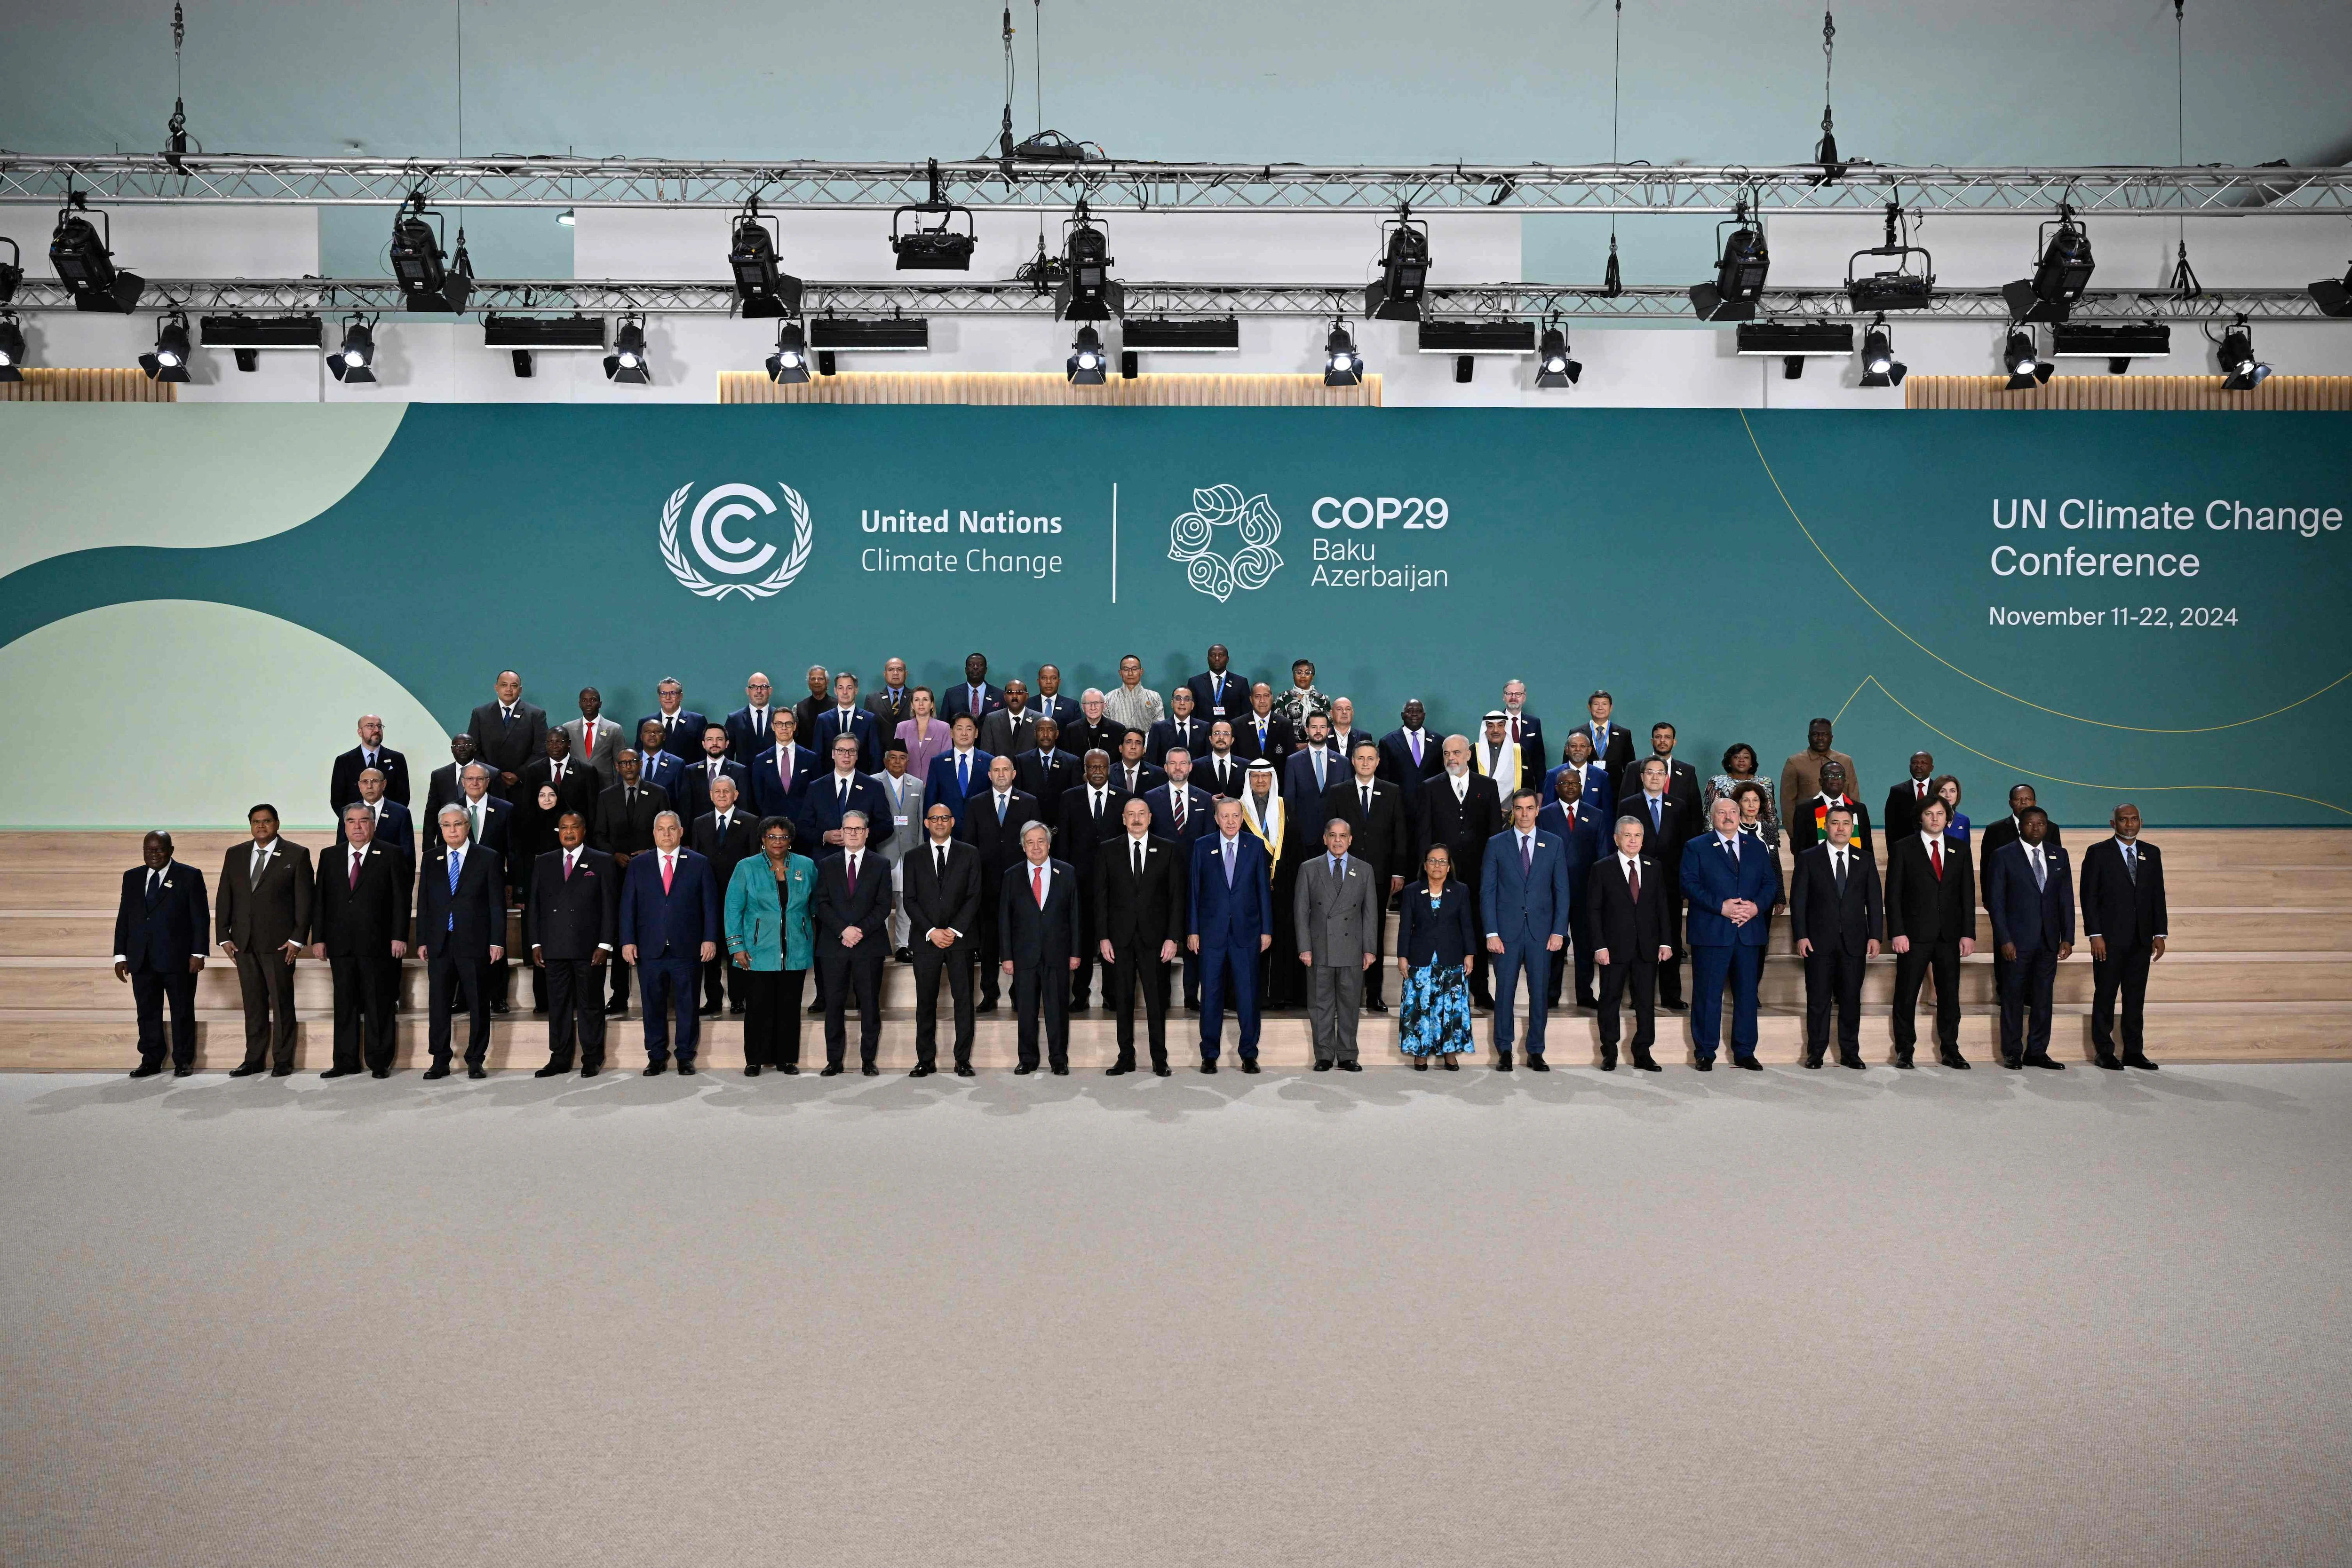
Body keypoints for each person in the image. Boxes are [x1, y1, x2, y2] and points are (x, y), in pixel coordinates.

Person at [1680, 795, 1784, 1070]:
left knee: (1747, 994)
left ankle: (1745, 1051)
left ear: (1740, 816)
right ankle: (1705, 1052)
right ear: (1712, 818)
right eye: (1721, 812)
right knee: (1707, 994)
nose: (1728, 816)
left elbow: (1769, 883)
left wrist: (1755, 908)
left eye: (1733, 812)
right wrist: (1722, 907)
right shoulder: (1696, 846)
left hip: (1749, 931)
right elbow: (1689, 884)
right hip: (1712, 931)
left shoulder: (1757, 846)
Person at [212, 803, 315, 1077]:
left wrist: (297, 939)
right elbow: (225, 896)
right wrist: (223, 936)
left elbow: (305, 903)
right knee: (253, 1003)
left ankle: (283, 1059)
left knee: (282, 1002)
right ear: (250, 825)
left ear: (277, 824)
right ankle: (254, 1059)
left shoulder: (297, 854)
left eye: (267, 821)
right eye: (256, 822)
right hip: (243, 943)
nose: (261, 826)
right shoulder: (235, 855)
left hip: (280, 945)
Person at [618, 810, 720, 1075]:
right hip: (649, 947)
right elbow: (628, 906)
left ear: (681, 831)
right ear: (654, 834)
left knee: (688, 1004)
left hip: (687, 947)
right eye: (661, 829)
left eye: (672, 828)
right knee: (652, 1005)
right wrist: (627, 940)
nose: (666, 834)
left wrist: (709, 938)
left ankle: (685, 1056)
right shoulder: (639, 865)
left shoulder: (699, 863)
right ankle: (656, 1055)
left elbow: (710, 906)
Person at [313, 804, 408, 1078]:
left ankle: (379, 1061)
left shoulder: (391, 853)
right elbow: (321, 901)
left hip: (378, 944)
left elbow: (401, 901)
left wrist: (399, 936)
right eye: (352, 821)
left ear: (373, 824)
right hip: (340, 944)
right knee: (344, 1004)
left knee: (379, 1002)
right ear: (344, 826)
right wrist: (318, 939)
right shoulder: (329, 856)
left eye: (364, 821)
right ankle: (345, 1061)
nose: (357, 826)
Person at [1479, 788, 1571, 1070]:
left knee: (1540, 994)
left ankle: (1535, 1051)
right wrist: (1491, 932)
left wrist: (1559, 931)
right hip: (1506, 933)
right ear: (1512, 812)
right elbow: (1488, 891)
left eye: (1529, 808)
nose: (1524, 814)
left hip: (1542, 934)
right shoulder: (1496, 844)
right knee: (1504, 992)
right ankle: (1504, 1050)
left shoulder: (1553, 843)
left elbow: (1562, 891)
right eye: (1518, 809)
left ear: (1537, 811)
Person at [1884, 797, 1977, 1069]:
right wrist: (1897, 932)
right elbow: (1893, 895)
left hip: (1950, 935)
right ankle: (1905, 1050)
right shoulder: (1903, 848)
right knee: (1906, 994)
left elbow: (1967, 895)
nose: (1935, 818)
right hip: (1913, 935)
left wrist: (1968, 933)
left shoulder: (1960, 850)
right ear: (1920, 818)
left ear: (1948, 819)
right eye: (1929, 813)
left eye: (1940, 814)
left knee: (1950, 995)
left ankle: (1950, 1049)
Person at [1789, 802, 1882, 1069]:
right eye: (1835, 823)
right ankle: (1815, 1053)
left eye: (1846, 824)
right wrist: (1801, 935)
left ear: (1852, 828)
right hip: (1818, 941)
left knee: (1852, 999)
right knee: (1818, 1000)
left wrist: (1875, 935)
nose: (1841, 828)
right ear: (1825, 827)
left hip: (1854, 942)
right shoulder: (1808, 857)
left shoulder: (1864, 859)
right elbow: (1799, 901)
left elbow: (1874, 901)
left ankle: (1850, 1053)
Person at [1097, 798, 1184, 1075]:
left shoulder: (1168, 849)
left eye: (1142, 814)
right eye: (1131, 815)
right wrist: (1103, 937)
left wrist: (1173, 938)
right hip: (1119, 939)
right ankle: (1126, 1057)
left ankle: (1160, 1058)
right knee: (1122, 999)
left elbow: (1176, 898)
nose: (1136, 819)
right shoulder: (1108, 850)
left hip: (1156, 940)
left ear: (1150, 818)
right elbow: (1101, 898)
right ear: (1123, 819)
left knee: (1156, 1000)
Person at [526, 811, 618, 1077]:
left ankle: (592, 1056)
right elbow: (534, 907)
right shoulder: (544, 862)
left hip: (590, 948)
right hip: (553, 947)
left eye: (574, 827)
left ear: (584, 830)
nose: (568, 832)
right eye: (563, 827)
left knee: (590, 1003)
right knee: (558, 1004)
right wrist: (535, 944)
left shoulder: (601, 861)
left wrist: (605, 944)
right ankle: (560, 1057)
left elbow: (610, 907)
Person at [416, 804, 503, 1079]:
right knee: (439, 1004)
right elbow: (425, 903)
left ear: (468, 826)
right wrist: (422, 940)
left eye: (458, 824)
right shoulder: (431, 858)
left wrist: (497, 941)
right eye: (446, 825)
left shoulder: (487, 858)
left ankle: (475, 1059)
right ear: (441, 829)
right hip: (440, 943)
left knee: (478, 1004)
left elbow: (496, 905)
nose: (452, 830)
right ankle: (439, 1059)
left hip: (475, 943)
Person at [1416, 736, 1504, 1009]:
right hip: (1443, 875)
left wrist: (1495, 871)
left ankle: (1481, 989)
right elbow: (1424, 834)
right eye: (1446, 754)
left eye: (1457, 753)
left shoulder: (1487, 786)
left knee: (1478, 929)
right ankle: (1449, 990)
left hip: (1480, 874)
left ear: (1469, 755)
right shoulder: (1430, 788)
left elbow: (1494, 833)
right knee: (1445, 930)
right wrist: (1428, 871)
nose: (1451, 758)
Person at [2078, 803, 2168, 1070]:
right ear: (2112, 824)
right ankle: (2104, 1052)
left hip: (2141, 940)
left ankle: (2134, 1052)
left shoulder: (2152, 853)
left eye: (2133, 819)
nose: (2129, 824)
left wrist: (2160, 933)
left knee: (2135, 998)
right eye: (2123, 820)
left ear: (2141, 822)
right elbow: (2089, 897)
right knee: (2105, 995)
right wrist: (2095, 934)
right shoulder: (2098, 853)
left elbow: (2157, 895)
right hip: (2108, 940)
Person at [1322, 739, 1409, 1013]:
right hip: (1344, 874)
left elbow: (1400, 836)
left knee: (1375, 932)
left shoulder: (1392, 792)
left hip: (1381, 875)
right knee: (1342, 934)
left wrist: (1398, 871)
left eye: (1371, 759)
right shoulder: (1338, 792)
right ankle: (1344, 996)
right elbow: (1329, 835)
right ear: (1353, 760)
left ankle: (1374, 995)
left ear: (1378, 762)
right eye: (1360, 758)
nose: (1366, 763)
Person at [1985, 806, 2074, 1071]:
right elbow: (1997, 904)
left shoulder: (2060, 855)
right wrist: (2005, 940)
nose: (2036, 828)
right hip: (2016, 942)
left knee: (2043, 998)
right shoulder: (2003, 856)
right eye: (2030, 824)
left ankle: (2038, 1051)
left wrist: (2067, 937)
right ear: (2021, 827)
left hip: (2048, 941)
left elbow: (2065, 899)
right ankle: (2013, 1052)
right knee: (2012, 998)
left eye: (2041, 824)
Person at [113, 831, 209, 1077]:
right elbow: (125, 918)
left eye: (159, 849)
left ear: (171, 850)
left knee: (182, 1010)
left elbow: (200, 918)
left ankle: (183, 1060)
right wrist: (120, 955)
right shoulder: (132, 877)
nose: (153, 854)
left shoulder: (189, 875)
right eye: (148, 849)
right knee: (146, 1011)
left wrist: (199, 953)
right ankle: (151, 1059)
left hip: (178, 959)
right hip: (141, 958)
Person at [725, 816, 815, 1076]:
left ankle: (786, 1059)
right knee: (758, 1008)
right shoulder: (746, 867)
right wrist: (736, 946)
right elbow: (733, 909)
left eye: (784, 837)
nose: (778, 842)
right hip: (756, 950)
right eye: (772, 836)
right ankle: (755, 1059)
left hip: (795, 949)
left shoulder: (806, 866)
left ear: (791, 840)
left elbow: (814, 905)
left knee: (789, 1007)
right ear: (763, 839)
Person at [1190, 797, 1273, 1073]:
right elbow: (1194, 892)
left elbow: (1263, 890)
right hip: (1211, 935)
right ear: (1217, 819)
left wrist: (1266, 930)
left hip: (1247, 934)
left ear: (1242, 817)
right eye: (1225, 816)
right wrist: (1193, 930)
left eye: (1235, 816)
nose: (1230, 821)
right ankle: (1209, 1055)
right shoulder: (1202, 846)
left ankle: (1249, 1054)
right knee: (1211, 996)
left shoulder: (1255, 846)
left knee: (1248, 997)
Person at [956, 755, 1042, 1014]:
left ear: (1014, 774)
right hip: (987, 885)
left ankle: (1020, 994)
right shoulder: (976, 804)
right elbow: (969, 847)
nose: (1002, 774)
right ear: (990, 775)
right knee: (989, 942)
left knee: (1021, 940)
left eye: (1006, 770)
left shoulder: (1029, 802)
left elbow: (1037, 846)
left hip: (1022, 885)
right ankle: (989, 994)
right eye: (997, 770)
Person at [1293, 816, 1381, 1071]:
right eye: (1333, 835)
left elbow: (1370, 913)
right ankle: (1323, 1055)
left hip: (1352, 948)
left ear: (1350, 840)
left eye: (1343, 836)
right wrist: (1305, 947)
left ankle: (1347, 1055)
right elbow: (1301, 912)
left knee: (1350, 1004)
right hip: (1320, 948)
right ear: (1325, 839)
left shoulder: (1364, 870)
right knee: (1320, 1005)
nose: (1338, 840)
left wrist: (1370, 949)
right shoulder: (1309, 868)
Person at [901, 801, 981, 1076]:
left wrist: (954, 930)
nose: (939, 822)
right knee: (926, 1001)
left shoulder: (970, 854)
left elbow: (974, 896)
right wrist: (932, 931)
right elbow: (909, 900)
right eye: (934, 818)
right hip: (926, 940)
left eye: (944, 818)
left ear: (952, 822)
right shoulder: (912, 857)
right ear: (926, 823)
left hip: (961, 939)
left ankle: (963, 1059)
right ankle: (925, 1060)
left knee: (964, 1000)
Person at [994, 822, 1079, 1074]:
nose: (1036, 847)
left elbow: (1075, 916)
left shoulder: (1068, 872)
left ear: (1049, 844)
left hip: (1058, 954)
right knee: (1026, 1011)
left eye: (1041, 841)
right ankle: (1028, 1059)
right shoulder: (1012, 875)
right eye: (1030, 842)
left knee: (1057, 1010)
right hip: (1024, 956)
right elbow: (1004, 920)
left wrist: (1076, 952)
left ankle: (1059, 1059)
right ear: (1023, 847)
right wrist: (1007, 957)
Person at [1587, 816, 1670, 1071]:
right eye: (1627, 835)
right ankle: (1609, 1051)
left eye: (1637, 836)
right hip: (1613, 949)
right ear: (1616, 838)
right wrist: (1599, 946)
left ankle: (1643, 1052)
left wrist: (1666, 942)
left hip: (1647, 947)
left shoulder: (1654, 867)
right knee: (1610, 999)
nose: (1633, 841)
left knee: (1645, 1001)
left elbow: (1662, 908)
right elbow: (1593, 911)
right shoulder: (1602, 868)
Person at [813, 811, 892, 1075]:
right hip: (834, 945)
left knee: (869, 1004)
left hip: (869, 945)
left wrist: (859, 931)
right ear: (842, 832)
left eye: (859, 829)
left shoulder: (881, 864)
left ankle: (868, 1060)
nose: (854, 834)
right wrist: (843, 930)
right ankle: (834, 1060)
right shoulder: (826, 864)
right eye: (849, 829)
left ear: (867, 832)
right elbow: (821, 904)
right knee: (834, 1005)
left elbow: (883, 906)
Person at [592, 747, 668, 1016]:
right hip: (617, 872)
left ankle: (661, 992)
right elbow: (598, 834)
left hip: (651, 871)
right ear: (617, 766)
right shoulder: (606, 796)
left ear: (640, 764)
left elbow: (667, 830)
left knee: (653, 929)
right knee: (620, 932)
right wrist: (614, 855)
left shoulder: (659, 792)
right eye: (623, 762)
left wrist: (649, 852)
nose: (628, 766)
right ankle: (619, 996)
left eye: (633, 761)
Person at [1057, 750, 1130, 1010]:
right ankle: (1080, 995)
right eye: (1092, 767)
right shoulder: (1069, 798)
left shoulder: (1125, 798)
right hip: (1080, 883)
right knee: (1083, 940)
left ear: (1109, 769)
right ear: (1085, 771)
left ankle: (1112, 995)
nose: (1097, 772)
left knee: (1112, 940)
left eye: (1102, 767)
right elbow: (1063, 844)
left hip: (1116, 885)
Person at [1618, 756, 1692, 1011]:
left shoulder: (1679, 806)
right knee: (1638, 938)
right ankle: (1639, 996)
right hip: (1637, 882)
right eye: (1650, 772)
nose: (1655, 777)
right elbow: (1620, 844)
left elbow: (1687, 847)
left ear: (1666, 777)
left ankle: (1671, 994)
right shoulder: (1628, 805)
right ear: (1642, 777)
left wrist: (1684, 883)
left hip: (1671, 885)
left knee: (1670, 937)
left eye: (1660, 773)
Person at [1396, 843, 1477, 1069]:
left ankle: (1450, 1052)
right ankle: (1419, 1052)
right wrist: (1402, 956)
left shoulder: (1461, 890)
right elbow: (1405, 927)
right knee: (1419, 1007)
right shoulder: (1412, 890)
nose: (1437, 865)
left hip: (1451, 957)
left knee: (1450, 1007)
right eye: (1432, 860)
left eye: (1442, 861)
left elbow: (1467, 925)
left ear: (1449, 866)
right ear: (1425, 865)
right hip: (1420, 958)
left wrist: (1470, 954)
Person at [1146, 748, 1215, 1011]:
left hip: (1196, 881)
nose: (1178, 768)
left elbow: (1209, 844)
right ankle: (1161, 995)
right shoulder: (1151, 798)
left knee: (1194, 938)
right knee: (1163, 937)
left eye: (1183, 763)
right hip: (1161, 883)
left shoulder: (1205, 798)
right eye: (1173, 764)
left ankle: (1191, 995)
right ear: (1165, 768)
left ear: (1190, 767)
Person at [1537, 758, 1606, 1012]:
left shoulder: (1596, 815)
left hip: (1585, 891)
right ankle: (1551, 993)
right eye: (1564, 783)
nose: (1569, 786)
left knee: (1585, 943)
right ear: (1556, 788)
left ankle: (1585, 993)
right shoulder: (1543, 815)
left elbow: (1602, 856)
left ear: (1581, 786)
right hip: (1552, 892)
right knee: (1555, 942)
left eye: (1574, 783)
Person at [1241, 759, 1310, 1010]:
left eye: (1266, 776)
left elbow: (1296, 850)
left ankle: (1280, 995)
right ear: (1249, 779)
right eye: (1256, 776)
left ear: (1273, 779)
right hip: (1247, 891)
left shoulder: (1285, 807)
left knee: (1282, 940)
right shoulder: (1239, 810)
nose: (1261, 781)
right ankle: (1252, 996)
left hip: (1283, 890)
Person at [690, 776, 758, 1014]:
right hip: (708, 896)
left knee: (737, 946)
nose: (721, 795)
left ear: (735, 795)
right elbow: (696, 862)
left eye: (726, 791)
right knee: (710, 947)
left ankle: (738, 998)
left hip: (739, 897)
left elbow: (754, 861)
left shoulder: (751, 822)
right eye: (717, 791)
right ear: (711, 795)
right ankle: (713, 1000)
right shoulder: (699, 823)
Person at [513, 781, 570, 1014]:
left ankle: (567, 999)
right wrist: (520, 891)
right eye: (542, 795)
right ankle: (543, 1001)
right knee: (540, 945)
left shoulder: (568, 823)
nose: (546, 799)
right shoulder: (526, 820)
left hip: (563, 891)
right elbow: (518, 859)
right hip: (533, 888)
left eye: (551, 795)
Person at [871, 744, 925, 959]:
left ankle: (904, 946)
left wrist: (921, 851)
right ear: (885, 761)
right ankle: (881, 944)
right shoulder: (873, 782)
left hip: (910, 852)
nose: (897, 762)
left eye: (902, 758)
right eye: (892, 757)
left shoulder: (918, 785)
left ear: (907, 761)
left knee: (906, 900)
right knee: (881, 900)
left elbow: (921, 821)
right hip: (883, 851)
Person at [804, 734, 897, 857]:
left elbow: (886, 826)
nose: (846, 755)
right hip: (825, 860)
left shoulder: (874, 787)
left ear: (857, 756)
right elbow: (803, 826)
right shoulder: (816, 787)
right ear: (833, 754)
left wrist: (859, 837)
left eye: (852, 751)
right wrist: (824, 836)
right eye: (841, 750)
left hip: (863, 860)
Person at [468, 670, 548, 802]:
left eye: (514, 686)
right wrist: (495, 775)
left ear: (520, 690)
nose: (509, 690)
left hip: (523, 786)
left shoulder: (536, 714)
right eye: (504, 685)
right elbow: (474, 749)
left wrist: (519, 775)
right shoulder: (480, 714)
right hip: (489, 785)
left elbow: (541, 751)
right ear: (496, 688)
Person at [518, 729, 598, 849]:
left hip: (576, 838)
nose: (554, 746)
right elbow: (528, 807)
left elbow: (592, 810)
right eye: (550, 742)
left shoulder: (586, 771)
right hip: (543, 839)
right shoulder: (534, 770)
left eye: (559, 742)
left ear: (569, 744)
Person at [1778, 718, 1860, 831]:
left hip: (1841, 831)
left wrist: (1855, 830)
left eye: (1825, 734)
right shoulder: (1794, 763)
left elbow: (1853, 797)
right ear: (1808, 738)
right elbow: (1788, 803)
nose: (1820, 738)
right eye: (1815, 734)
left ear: (1832, 738)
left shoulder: (1845, 761)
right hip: (1808, 829)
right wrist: (1794, 836)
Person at [338, 766, 416, 885]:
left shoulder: (400, 813)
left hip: (388, 881)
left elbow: (407, 855)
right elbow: (341, 848)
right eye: (365, 782)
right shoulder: (348, 811)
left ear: (384, 785)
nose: (369, 786)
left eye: (375, 781)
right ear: (359, 786)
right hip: (356, 878)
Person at [1785, 759, 1874, 857]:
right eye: (1830, 775)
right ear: (1820, 781)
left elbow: (1868, 848)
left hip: (1855, 869)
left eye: (1840, 775)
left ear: (1845, 781)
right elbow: (1800, 850)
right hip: (1818, 868)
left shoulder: (1859, 809)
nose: (1835, 778)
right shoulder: (1805, 810)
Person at [330, 713, 411, 817]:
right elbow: (337, 800)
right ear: (360, 732)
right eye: (370, 726)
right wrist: (353, 821)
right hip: (356, 827)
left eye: (379, 726)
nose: (376, 730)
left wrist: (391, 820)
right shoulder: (344, 761)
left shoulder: (397, 759)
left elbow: (403, 797)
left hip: (390, 826)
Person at [923, 713, 992, 827]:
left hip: (981, 829)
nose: (964, 733)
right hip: (947, 830)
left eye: (969, 729)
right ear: (951, 733)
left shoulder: (989, 761)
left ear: (976, 733)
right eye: (959, 729)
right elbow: (931, 800)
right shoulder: (938, 762)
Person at [1704, 743, 1778, 848]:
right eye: (1736, 757)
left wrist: (1772, 839)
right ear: (1729, 761)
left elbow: (1770, 814)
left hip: (1759, 835)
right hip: (1726, 836)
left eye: (1746, 757)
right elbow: (1709, 816)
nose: (1742, 760)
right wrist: (1712, 842)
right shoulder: (1717, 782)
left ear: (1752, 762)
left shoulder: (1765, 783)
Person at [680, 724, 751, 826]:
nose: (715, 743)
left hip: (732, 830)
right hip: (699, 831)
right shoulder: (690, 771)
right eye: (710, 739)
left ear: (727, 744)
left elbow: (744, 807)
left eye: (719, 739)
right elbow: (685, 809)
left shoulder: (740, 771)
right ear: (704, 744)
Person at [813, 670, 881, 773]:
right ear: (836, 691)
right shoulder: (823, 719)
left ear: (856, 690)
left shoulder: (869, 719)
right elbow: (817, 756)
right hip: (829, 782)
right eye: (841, 688)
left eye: (849, 688)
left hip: (862, 781)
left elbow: (875, 756)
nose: (845, 692)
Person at [561, 688, 626, 791]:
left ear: (600, 704)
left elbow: (620, 764)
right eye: (584, 700)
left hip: (605, 788)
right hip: (575, 786)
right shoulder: (568, 728)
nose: (589, 704)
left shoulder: (614, 729)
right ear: (579, 704)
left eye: (593, 700)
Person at [1580, 691, 1638, 803]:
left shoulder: (1623, 734)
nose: (1600, 708)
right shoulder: (1578, 733)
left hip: (1615, 793)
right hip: (1585, 792)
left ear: (1611, 707)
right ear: (1589, 707)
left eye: (1605, 704)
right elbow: (1568, 766)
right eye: (1596, 704)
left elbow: (1630, 767)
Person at [1543, 729, 1611, 820]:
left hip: (1592, 831)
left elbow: (1607, 812)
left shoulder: (1602, 776)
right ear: (1567, 750)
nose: (1578, 749)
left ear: (1589, 750)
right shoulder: (1553, 775)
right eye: (1574, 746)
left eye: (1583, 746)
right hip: (1560, 830)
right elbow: (1547, 810)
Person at [636, 676, 707, 762]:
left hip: (687, 774)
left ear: (681, 696)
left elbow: (704, 755)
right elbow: (640, 754)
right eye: (663, 693)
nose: (668, 698)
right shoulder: (645, 723)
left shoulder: (698, 721)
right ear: (659, 697)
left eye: (673, 693)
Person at [422, 733, 480, 835]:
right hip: (448, 837)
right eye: (457, 746)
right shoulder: (439, 775)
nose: (462, 749)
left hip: (479, 834)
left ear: (475, 748)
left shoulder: (490, 773)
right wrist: (428, 846)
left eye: (467, 745)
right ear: (452, 750)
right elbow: (432, 812)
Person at [1645, 723, 1704, 823]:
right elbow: (1626, 806)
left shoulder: (1687, 772)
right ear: (1652, 741)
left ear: (1674, 742)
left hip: (1679, 833)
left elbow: (1695, 811)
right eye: (1658, 737)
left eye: (1667, 737)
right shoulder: (1635, 768)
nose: (1662, 741)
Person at [1013, 716, 1081, 802]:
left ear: (1057, 734)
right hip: (1030, 815)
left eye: (1050, 730)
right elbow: (1018, 795)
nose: (1045, 735)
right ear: (1035, 734)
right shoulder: (1021, 761)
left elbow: (1076, 797)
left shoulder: (1072, 762)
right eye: (1041, 730)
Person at [894, 685, 953, 785]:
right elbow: (896, 759)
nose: (921, 704)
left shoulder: (944, 728)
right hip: (907, 785)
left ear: (932, 705)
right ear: (912, 705)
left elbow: (946, 762)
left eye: (925, 700)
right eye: (917, 700)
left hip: (935, 785)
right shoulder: (902, 727)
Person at [1184, 644, 1251, 726]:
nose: (1217, 659)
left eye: (1221, 655)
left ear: (1227, 659)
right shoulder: (1195, 682)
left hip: (1233, 734)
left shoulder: (1241, 682)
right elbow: (1192, 713)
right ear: (1208, 659)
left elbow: (1246, 713)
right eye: (1213, 655)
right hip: (1203, 734)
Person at [1882, 751, 1939, 843]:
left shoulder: (1939, 790)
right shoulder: (1897, 791)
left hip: (1935, 846)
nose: (1919, 766)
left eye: (1923, 763)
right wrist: (1894, 855)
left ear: (1932, 768)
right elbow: (1891, 827)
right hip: (1905, 848)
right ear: (1910, 767)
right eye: (1915, 763)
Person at [723, 671, 779, 763]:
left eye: (764, 687)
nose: (759, 691)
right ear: (747, 691)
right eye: (754, 687)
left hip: (775, 776)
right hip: (745, 776)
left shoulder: (781, 718)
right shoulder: (734, 720)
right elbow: (727, 756)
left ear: (770, 691)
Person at [1148, 684, 1210, 768]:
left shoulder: (1204, 728)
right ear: (1172, 703)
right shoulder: (1158, 728)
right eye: (1178, 699)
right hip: (1166, 778)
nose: (1182, 703)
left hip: (1197, 779)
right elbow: (1151, 762)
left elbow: (1208, 761)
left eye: (1187, 699)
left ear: (1193, 705)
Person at [1102, 653, 1164, 734]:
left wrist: (1144, 744)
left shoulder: (1155, 697)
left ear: (1141, 672)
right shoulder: (1108, 697)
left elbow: (1159, 728)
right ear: (1120, 673)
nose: (1130, 673)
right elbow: (1105, 727)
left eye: (1134, 669)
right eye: (1126, 669)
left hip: (1145, 745)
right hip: (1117, 744)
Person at [1234, 683, 1295, 765]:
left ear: (1272, 698)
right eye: (1258, 696)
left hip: (1277, 776)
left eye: (1266, 696)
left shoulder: (1285, 725)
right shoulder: (1238, 725)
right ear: (1251, 700)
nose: (1262, 701)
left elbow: (1290, 760)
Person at [1474, 710, 1531, 794]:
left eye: (1500, 726)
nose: (1496, 730)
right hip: (1481, 804)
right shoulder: (1474, 751)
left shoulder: (1519, 751)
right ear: (1485, 729)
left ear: (1506, 728)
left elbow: (1528, 784)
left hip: (1511, 806)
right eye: (1491, 726)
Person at [941, 652, 1004, 725]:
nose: (976, 667)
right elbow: (944, 726)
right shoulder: (951, 694)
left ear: (986, 670)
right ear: (966, 670)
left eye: (980, 665)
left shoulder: (999, 695)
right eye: (971, 665)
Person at [632, 718, 687, 800]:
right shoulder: (630, 762)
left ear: (664, 737)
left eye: (657, 732)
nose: (652, 734)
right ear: (641, 737)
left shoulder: (677, 764)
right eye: (648, 731)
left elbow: (681, 798)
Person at [1496, 680, 1545, 772]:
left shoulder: (1534, 723)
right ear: (1504, 697)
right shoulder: (1495, 721)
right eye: (1509, 694)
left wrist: (1540, 786)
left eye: (1518, 694)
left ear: (1524, 698)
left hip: (1527, 781)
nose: (1513, 697)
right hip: (1500, 780)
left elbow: (1539, 760)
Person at [1271, 659, 1328, 732]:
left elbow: (1328, 726)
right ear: (1293, 676)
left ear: (1312, 677)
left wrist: (1309, 744)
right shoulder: (1283, 698)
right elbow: (1277, 725)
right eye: (1299, 673)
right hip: (1289, 743)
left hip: (1317, 743)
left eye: (1307, 673)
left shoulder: (1322, 699)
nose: (1303, 676)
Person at [1065, 688, 1123, 760]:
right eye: (1088, 703)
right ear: (1083, 707)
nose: (1093, 708)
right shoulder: (1072, 730)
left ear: (1104, 706)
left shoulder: (1118, 730)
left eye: (1097, 703)